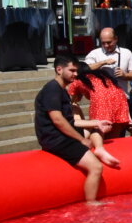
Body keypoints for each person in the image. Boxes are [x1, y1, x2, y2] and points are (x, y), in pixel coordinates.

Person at [34, 55, 119, 205]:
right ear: (59, 69)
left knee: (94, 128)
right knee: (96, 167)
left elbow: (70, 122)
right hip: (56, 140)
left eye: (76, 71)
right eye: (72, 70)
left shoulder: (61, 90)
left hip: (60, 135)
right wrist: (81, 140)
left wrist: (96, 123)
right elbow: (58, 120)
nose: (75, 74)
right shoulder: (52, 89)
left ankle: (100, 149)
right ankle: (91, 202)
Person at [84, 27, 132, 135]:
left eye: (109, 42)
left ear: (116, 39)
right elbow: (84, 69)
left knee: (119, 134)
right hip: (101, 101)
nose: (106, 45)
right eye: (103, 43)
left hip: (121, 99)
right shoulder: (94, 54)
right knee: (101, 132)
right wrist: (103, 63)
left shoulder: (126, 53)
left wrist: (125, 75)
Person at [67, 62, 131, 139]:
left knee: (98, 127)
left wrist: (73, 105)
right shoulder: (100, 75)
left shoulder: (78, 80)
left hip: (101, 101)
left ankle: (98, 144)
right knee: (115, 131)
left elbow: (71, 97)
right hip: (119, 99)